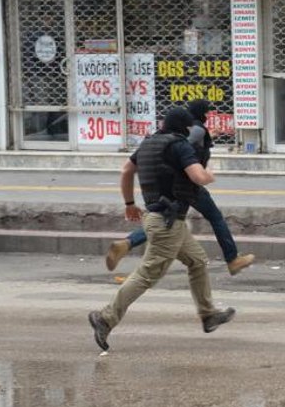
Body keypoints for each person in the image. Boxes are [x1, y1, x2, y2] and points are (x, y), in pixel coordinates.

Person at [88, 107, 236, 351]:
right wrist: (210, 174)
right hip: (167, 223)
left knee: (197, 261)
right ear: (184, 127)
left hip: (160, 219)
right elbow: (198, 177)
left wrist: (129, 203)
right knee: (146, 275)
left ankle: (208, 314)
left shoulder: (149, 143)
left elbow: (126, 171)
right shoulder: (179, 146)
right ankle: (105, 318)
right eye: (189, 126)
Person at [105, 100, 255, 276]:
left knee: (167, 220)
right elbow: (184, 147)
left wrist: (129, 203)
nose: (208, 117)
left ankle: (126, 244)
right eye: (207, 113)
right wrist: (205, 175)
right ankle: (232, 259)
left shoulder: (173, 133)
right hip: (187, 183)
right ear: (203, 114)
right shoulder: (194, 131)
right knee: (215, 218)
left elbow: (128, 169)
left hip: (174, 184)